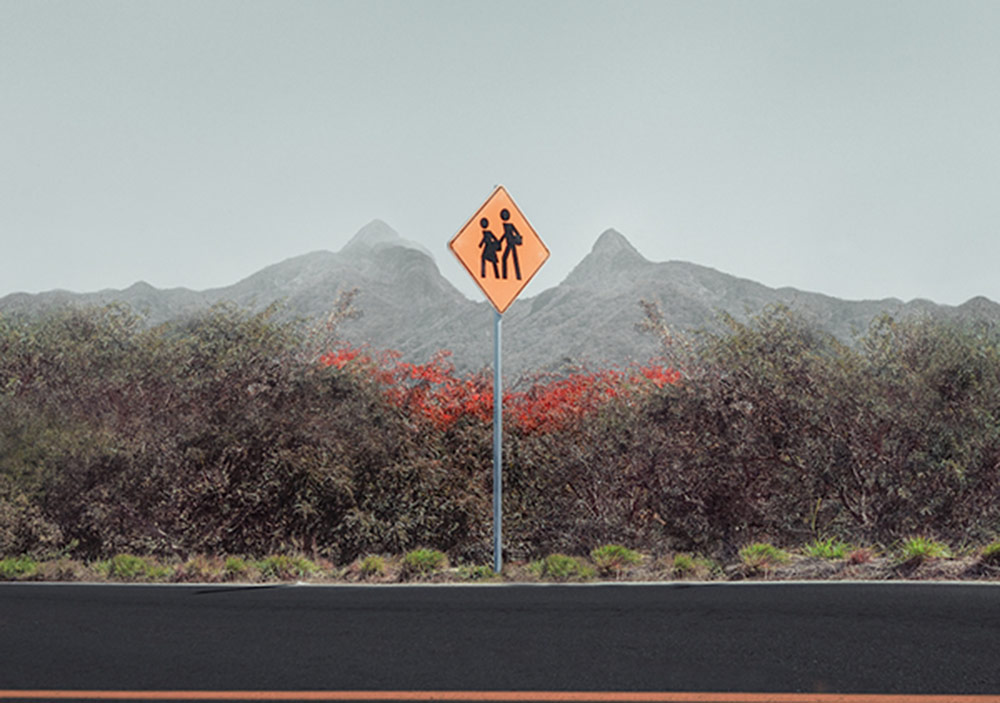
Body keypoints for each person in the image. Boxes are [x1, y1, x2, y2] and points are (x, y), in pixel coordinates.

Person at [500, 209, 522, 280]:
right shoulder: (505, 225)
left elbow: (516, 232)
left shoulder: (510, 225)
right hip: (509, 243)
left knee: (508, 258)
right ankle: (505, 276)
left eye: (505, 215)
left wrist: (517, 238)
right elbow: (505, 234)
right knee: (506, 258)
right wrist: (500, 241)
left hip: (511, 243)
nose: (504, 216)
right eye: (503, 215)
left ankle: (516, 276)